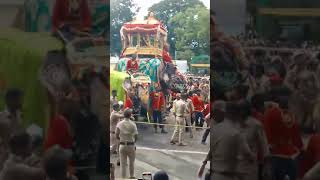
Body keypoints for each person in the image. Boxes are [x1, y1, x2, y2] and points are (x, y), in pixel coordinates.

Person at [209, 102, 255, 180]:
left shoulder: (215, 129)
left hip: (214, 175)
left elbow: (210, 153)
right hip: (229, 176)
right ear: (237, 114)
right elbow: (248, 155)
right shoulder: (236, 132)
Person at [264, 96, 303, 180]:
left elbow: (267, 131)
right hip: (292, 152)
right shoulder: (291, 114)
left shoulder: (270, 113)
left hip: (276, 151)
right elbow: (295, 133)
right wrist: (300, 147)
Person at [237, 101, 270, 180]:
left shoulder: (256, 125)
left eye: (242, 110)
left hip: (249, 168)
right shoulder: (233, 124)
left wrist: (266, 167)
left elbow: (264, 147)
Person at [0, 89, 24, 170]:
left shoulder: (20, 116)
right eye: (18, 98)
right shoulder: (1, 118)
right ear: (9, 100)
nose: (20, 101)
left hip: (20, 157)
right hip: (6, 160)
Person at [116, 108, 138, 179]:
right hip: (131, 144)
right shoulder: (133, 124)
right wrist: (134, 142)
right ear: (130, 115)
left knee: (122, 163)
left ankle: (123, 177)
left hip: (122, 145)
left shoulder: (119, 123)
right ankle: (131, 176)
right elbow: (136, 136)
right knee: (131, 162)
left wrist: (121, 139)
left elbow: (117, 134)